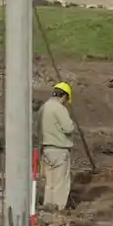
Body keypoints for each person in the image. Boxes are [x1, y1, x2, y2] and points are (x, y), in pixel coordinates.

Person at [39, 82, 77, 210]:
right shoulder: (59, 108)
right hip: (59, 151)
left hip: (46, 150)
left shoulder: (43, 108)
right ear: (64, 96)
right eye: (66, 99)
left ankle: (47, 208)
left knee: (49, 183)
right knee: (60, 183)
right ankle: (58, 210)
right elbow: (68, 128)